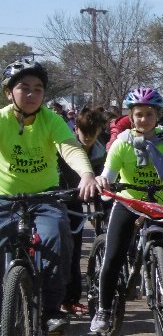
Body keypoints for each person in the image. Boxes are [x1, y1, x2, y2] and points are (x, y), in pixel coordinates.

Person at [90, 88, 163, 336]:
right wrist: (104, 181)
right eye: (138, 114)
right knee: (113, 257)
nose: (144, 119)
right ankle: (104, 309)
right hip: (129, 204)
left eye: (149, 114)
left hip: (162, 207)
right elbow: (109, 173)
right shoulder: (123, 142)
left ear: (158, 116)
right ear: (131, 117)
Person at [0, 60, 99, 335]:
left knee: (58, 238)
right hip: (4, 199)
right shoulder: (1, 120)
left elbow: (70, 148)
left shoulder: (51, 120)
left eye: (38, 89)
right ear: (9, 92)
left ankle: (50, 311)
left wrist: (87, 175)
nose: (31, 94)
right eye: (24, 88)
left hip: (44, 198)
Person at [58, 105, 108, 315]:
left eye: (93, 134)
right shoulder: (62, 145)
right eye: (83, 133)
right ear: (76, 128)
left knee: (79, 247)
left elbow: (103, 176)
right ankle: (63, 300)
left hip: (84, 197)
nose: (87, 139)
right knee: (67, 249)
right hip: (62, 198)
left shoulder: (99, 149)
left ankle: (72, 299)